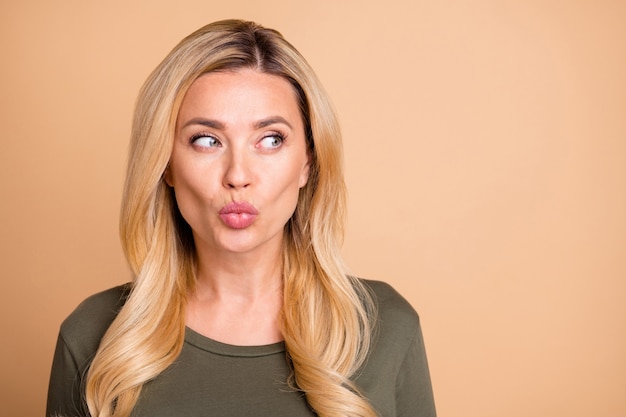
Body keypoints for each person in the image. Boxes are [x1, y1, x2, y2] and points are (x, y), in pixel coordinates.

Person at [46, 19, 436, 417]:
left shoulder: (386, 329)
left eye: (270, 140)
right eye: (206, 140)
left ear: (307, 162)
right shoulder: (93, 339)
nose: (237, 175)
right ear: (165, 164)